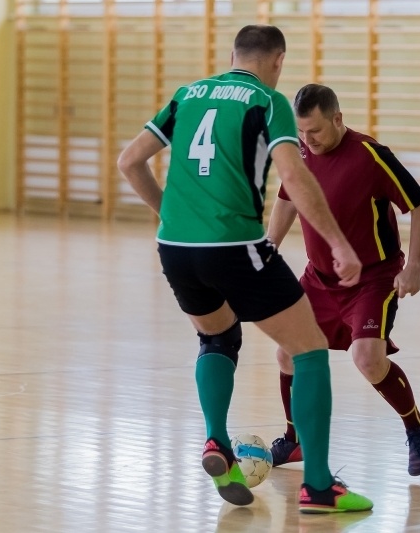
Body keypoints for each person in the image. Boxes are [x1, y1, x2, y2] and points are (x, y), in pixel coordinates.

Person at [117, 25, 373, 513]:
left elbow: (130, 162)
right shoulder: (267, 100)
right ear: (277, 60)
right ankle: (318, 487)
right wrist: (339, 242)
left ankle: (217, 442)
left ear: (232, 54)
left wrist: (171, 216)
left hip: (175, 246)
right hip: (234, 245)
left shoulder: (187, 94)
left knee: (217, 337)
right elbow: (294, 176)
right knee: (310, 349)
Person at [265, 84, 420, 476]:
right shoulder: (300, 151)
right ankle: (295, 441)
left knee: (367, 358)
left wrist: (415, 267)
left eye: (316, 131)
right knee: (287, 353)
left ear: (338, 119)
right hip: (319, 278)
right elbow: (289, 197)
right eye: (301, 132)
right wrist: (269, 245)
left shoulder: (370, 156)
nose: (308, 140)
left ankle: (416, 427)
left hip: (373, 279)